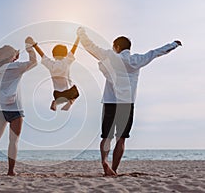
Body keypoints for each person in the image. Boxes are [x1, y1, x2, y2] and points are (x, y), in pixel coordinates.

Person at [77, 27, 182, 176]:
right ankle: (114, 169)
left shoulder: (110, 57)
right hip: (127, 105)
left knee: (106, 137)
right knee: (121, 139)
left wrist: (81, 34)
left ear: (117, 47)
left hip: (110, 102)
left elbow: (90, 47)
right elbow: (155, 53)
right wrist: (173, 44)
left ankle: (105, 163)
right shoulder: (136, 60)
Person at [0, 37, 37, 175]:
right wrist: (29, 48)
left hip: (1, 109)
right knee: (13, 141)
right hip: (16, 109)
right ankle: (11, 170)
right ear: (11, 57)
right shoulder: (16, 67)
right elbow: (34, 62)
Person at [26, 36, 80, 111]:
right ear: (65, 54)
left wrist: (35, 45)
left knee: (61, 98)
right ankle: (70, 102)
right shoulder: (66, 61)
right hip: (69, 91)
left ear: (53, 55)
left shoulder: (50, 64)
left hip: (57, 93)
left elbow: (42, 55)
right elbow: (74, 49)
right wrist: (78, 38)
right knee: (76, 94)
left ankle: (55, 102)